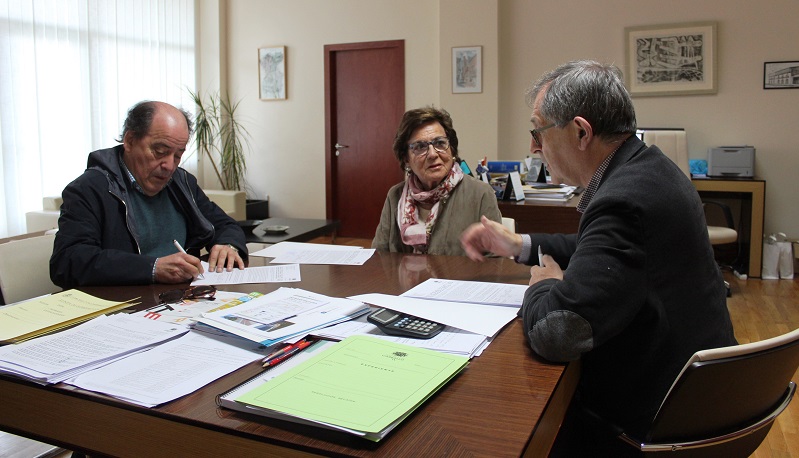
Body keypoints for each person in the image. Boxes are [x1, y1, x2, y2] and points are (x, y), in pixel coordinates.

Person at [460, 60, 737, 454]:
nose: (533, 147)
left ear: (580, 132)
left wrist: (545, 287)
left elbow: (558, 332)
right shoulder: (650, 170)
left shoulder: (624, 200)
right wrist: (519, 245)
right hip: (700, 396)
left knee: (498, 428)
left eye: (538, 131)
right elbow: (601, 256)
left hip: (649, 423)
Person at [50, 100, 247, 288]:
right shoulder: (90, 189)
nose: (169, 165)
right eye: (160, 151)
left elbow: (225, 224)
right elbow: (68, 261)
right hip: (126, 306)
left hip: (185, 298)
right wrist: (152, 268)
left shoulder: (181, 182)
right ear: (130, 141)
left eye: (178, 155)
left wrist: (228, 245)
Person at [372, 106, 501, 256]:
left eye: (440, 143)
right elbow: (379, 256)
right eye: (420, 147)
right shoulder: (395, 195)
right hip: (403, 279)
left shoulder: (480, 194)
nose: (433, 154)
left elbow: (496, 260)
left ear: (451, 148)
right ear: (406, 158)